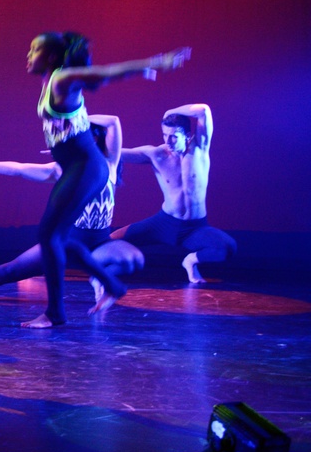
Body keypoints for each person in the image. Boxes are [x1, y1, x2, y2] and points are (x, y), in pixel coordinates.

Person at [23, 32, 191, 328]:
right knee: (56, 238)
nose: (28, 55)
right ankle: (111, 285)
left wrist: (154, 63)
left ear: (51, 57)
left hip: (86, 168)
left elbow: (106, 72)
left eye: (34, 50)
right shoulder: (50, 82)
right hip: (79, 167)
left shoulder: (62, 78)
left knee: (50, 237)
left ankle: (55, 314)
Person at [0, 115, 144, 309]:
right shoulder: (62, 170)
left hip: (100, 244)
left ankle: (98, 277)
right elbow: (20, 169)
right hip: (66, 242)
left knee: (133, 259)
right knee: (8, 271)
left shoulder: (109, 164)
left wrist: (75, 120)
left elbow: (113, 121)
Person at [110, 104, 236, 283]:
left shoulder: (199, 149)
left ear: (188, 136)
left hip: (194, 228)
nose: (168, 141)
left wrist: (171, 112)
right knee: (109, 240)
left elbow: (203, 111)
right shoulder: (156, 154)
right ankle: (102, 274)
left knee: (227, 247)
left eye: (174, 136)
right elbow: (116, 153)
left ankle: (190, 261)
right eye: (164, 135)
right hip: (163, 224)